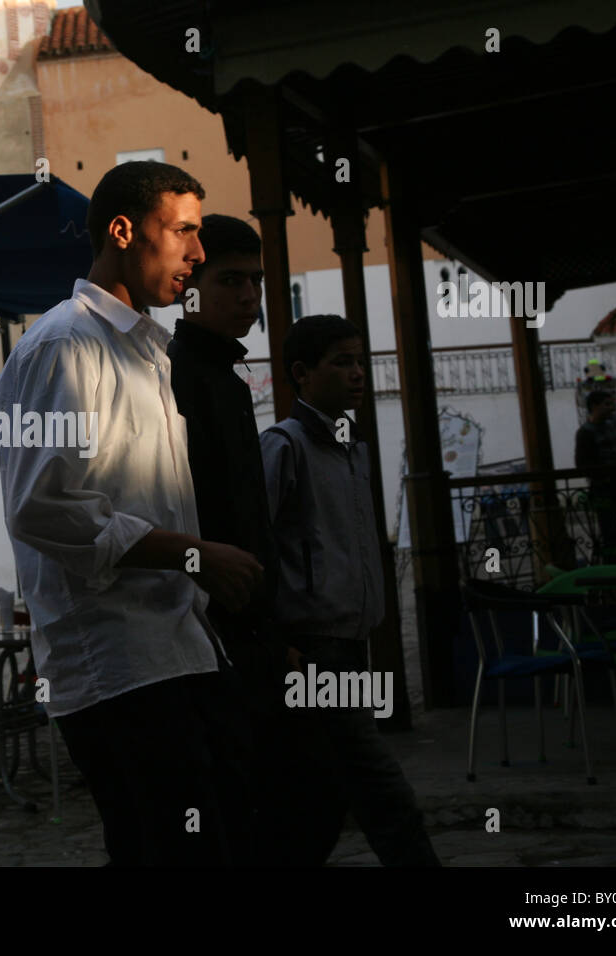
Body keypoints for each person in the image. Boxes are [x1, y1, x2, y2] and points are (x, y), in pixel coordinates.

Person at [0, 161, 263, 866]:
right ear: (122, 230)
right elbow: (44, 508)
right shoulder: (64, 346)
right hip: (115, 662)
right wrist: (193, 554)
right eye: (182, 232)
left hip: (178, 644)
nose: (197, 255)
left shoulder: (147, 354)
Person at [168, 214, 345, 865]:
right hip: (221, 637)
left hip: (257, 633)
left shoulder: (222, 378)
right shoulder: (179, 381)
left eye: (257, 282)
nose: (249, 296)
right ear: (192, 286)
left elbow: (251, 519)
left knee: (308, 795)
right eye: (232, 281)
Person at [258, 314, 440, 867]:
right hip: (313, 650)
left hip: (350, 643)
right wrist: (269, 639)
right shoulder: (283, 446)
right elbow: (253, 546)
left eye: (361, 361)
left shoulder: (354, 447)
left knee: (322, 799)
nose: (358, 374)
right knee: (381, 789)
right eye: (341, 362)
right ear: (301, 374)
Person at [575, 390, 616, 560]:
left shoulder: (610, 426)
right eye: (607, 404)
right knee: (611, 533)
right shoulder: (585, 433)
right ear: (594, 406)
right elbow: (582, 463)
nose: (611, 408)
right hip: (604, 488)